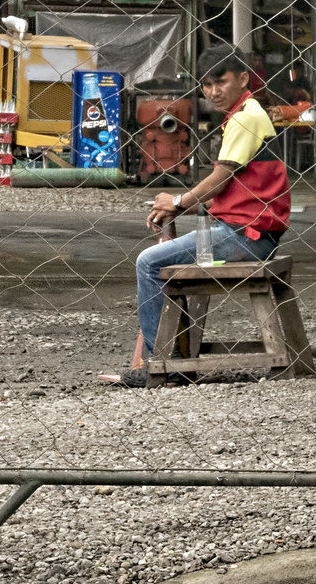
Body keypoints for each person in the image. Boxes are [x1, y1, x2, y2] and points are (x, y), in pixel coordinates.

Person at [118, 42, 290, 387]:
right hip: (248, 231)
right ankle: (174, 358)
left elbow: (220, 178)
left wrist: (179, 200)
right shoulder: (245, 115)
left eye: (221, 82)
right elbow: (230, 193)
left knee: (148, 263)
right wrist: (174, 204)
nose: (213, 91)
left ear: (243, 79)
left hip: (245, 237)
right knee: (162, 255)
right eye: (207, 85)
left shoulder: (246, 117)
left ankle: (162, 364)